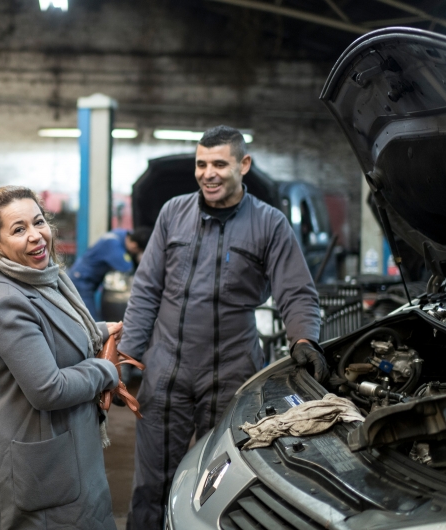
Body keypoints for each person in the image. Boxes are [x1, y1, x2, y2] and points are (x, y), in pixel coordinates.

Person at [117, 126, 329, 529]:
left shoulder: (270, 224)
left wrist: (303, 338)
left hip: (232, 378)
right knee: (150, 486)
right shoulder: (172, 214)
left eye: (219, 163)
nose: (207, 173)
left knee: (221, 486)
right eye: (201, 164)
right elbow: (145, 290)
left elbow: (297, 291)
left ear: (243, 165)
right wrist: (127, 355)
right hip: (166, 376)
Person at [0, 185, 122, 530]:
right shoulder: (6, 302)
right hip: (43, 467)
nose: (36, 236)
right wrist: (106, 370)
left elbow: (53, 334)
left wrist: (99, 330)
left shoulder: (41, 279)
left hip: (68, 451)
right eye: (19, 229)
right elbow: (48, 389)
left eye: (38, 222)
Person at [67, 226, 153, 319]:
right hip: (81, 280)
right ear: (134, 246)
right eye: (137, 252)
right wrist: (139, 258)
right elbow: (128, 268)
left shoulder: (123, 234)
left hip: (86, 279)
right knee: (90, 320)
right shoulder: (114, 246)